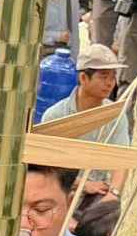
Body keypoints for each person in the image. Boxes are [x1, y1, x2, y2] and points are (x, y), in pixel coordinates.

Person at [38, 42, 131, 199]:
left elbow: (122, 161)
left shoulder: (115, 114)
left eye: (113, 77)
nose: (110, 83)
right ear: (83, 78)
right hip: (63, 191)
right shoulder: (56, 116)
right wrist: (85, 185)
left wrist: (113, 193)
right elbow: (48, 166)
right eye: (103, 77)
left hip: (102, 192)